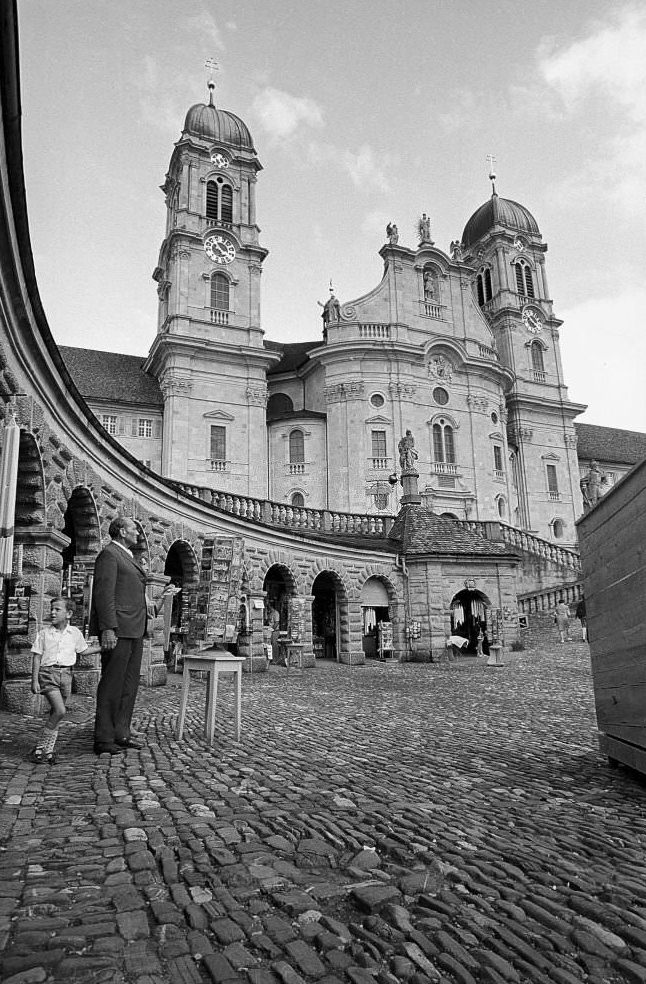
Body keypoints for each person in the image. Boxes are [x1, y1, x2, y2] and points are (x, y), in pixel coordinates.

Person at [90, 516, 148, 754]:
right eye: (135, 529)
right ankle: (104, 738)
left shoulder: (128, 556)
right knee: (112, 684)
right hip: (119, 629)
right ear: (122, 531)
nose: (138, 534)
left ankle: (121, 732)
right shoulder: (109, 554)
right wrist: (107, 628)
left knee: (129, 684)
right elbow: (104, 594)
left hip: (135, 628)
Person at [30, 597, 101, 764]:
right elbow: (37, 657)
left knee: (56, 714)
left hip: (67, 676)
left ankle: (48, 751)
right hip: (48, 674)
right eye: (52, 609)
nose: (53, 612)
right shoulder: (44, 633)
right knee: (60, 710)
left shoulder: (74, 633)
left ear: (68, 614)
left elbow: (83, 650)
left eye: (57, 609)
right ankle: (41, 747)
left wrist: (102, 648)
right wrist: (34, 680)